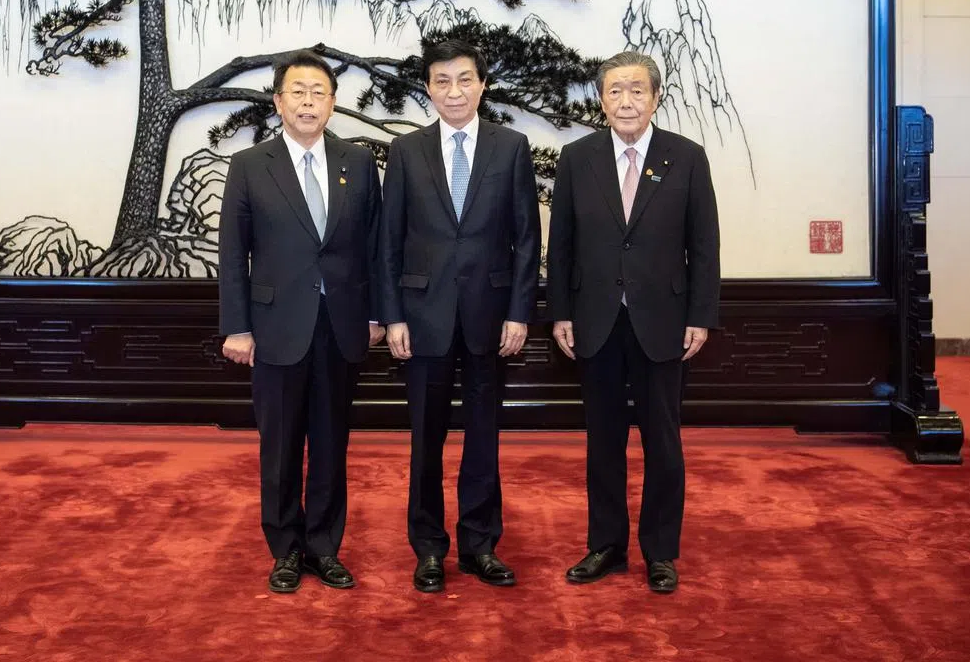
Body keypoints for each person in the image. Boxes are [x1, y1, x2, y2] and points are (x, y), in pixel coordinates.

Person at [546, 50, 720, 593]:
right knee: (603, 440)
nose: (626, 100)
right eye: (615, 90)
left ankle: (661, 552)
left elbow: (704, 245)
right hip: (595, 320)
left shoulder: (686, 157)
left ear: (655, 97)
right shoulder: (577, 158)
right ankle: (606, 545)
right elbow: (563, 244)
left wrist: (701, 315)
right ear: (601, 101)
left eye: (637, 90)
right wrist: (561, 314)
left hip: (664, 320)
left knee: (663, 441)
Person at [218, 50, 385, 593]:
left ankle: (323, 548)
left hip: (341, 324)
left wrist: (379, 314)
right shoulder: (249, 166)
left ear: (333, 102)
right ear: (278, 101)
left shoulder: (357, 162)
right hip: (274, 327)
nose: (308, 101)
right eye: (298, 91)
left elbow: (375, 247)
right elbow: (232, 254)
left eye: (319, 92)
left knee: (333, 443)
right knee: (282, 446)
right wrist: (237, 328)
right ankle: (285, 550)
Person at [380, 39, 540, 593]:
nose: (454, 91)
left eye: (464, 79)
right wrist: (393, 315)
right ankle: (427, 548)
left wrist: (520, 313)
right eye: (442, 81)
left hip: (490, 319)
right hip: (421, 319)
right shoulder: (405, 151)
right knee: (425, 438)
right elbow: (389, 244)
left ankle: (479, 544)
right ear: (428, 88)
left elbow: (526, 239)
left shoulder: (511, 147)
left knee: (483, 437)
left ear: (482, 84)